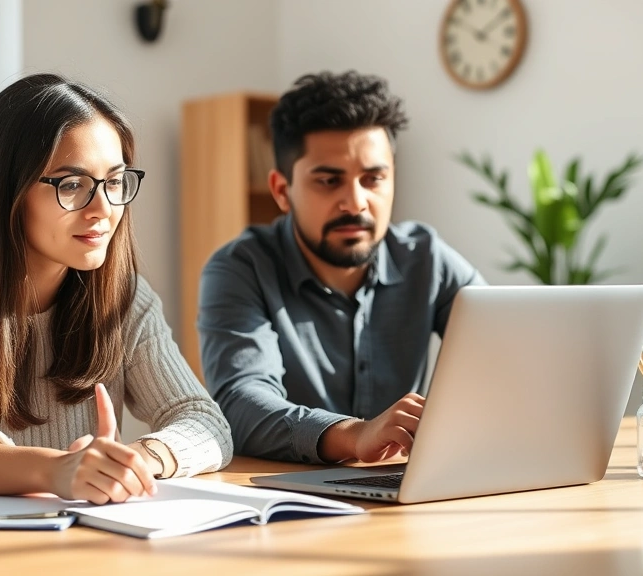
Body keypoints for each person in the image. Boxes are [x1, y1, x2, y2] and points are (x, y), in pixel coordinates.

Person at [0, 73, 232, 504]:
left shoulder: (124, 296)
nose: (103, 209)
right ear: (8, 192)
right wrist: (57, 470)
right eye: (72, 184)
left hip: (56, 533)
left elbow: (205, 421)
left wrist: (135, 461)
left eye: (114, 182)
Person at [197, 70, 486, 465]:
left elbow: (504, 356)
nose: (355, 202)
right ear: (282, 191)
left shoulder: (427, 259)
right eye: (330, 181)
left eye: (373, 179)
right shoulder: (240, 269)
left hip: (407, 491)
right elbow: (240, 404)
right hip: (289, 500)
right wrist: (355, 435)